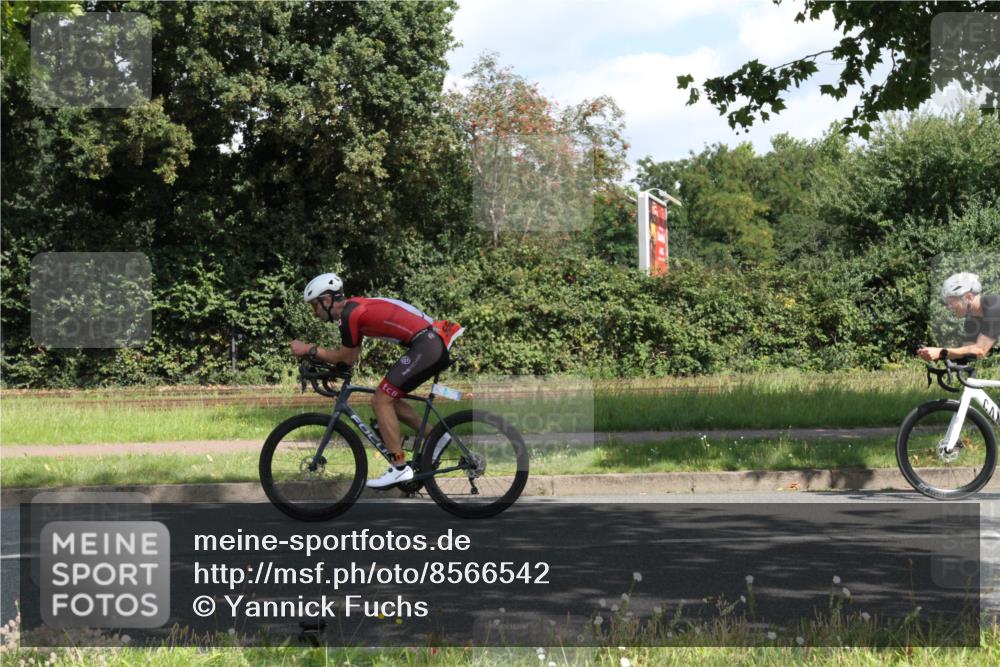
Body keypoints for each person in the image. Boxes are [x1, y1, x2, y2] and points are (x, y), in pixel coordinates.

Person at [290, 272, 464, 488]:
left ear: (327, 300)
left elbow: (344, 358)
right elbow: (349, 360)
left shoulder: (351, 314)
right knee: (391, 399)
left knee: (380, 400)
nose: (314, 313)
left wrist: (310, 349)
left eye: (314, 306)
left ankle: (399, 467)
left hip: (427, 343)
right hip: (429, 342)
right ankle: (437, 439)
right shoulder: (352, 311)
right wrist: (328, 368)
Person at [917, 272, 999, 362]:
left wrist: (941, 352)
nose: (949, 306)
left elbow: (980, 350)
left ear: (968, 297)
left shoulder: (995, 307)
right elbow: (968, 353)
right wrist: (937, 355)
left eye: (951, 302)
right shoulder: (971, 320)